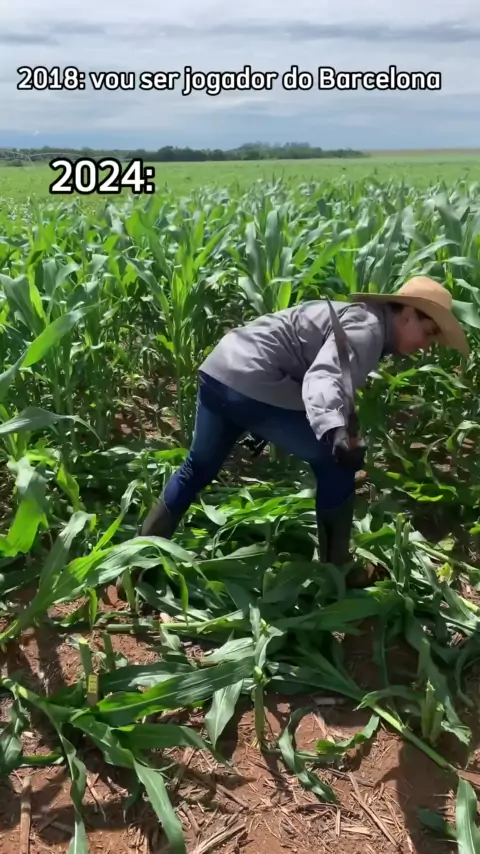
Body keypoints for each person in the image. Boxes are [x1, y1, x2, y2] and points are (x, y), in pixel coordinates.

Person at [138, 277, 469, 586]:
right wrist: (336, 434)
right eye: (428, 332)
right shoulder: (367, 329)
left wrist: (263, 426)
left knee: (197, 468)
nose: (426, 345)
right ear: (407, 315)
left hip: (220, 369)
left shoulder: (358, 319)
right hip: (255, 381)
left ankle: (137, 563)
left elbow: (305, 367)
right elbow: (323, 378)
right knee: (337, 464)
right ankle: (338, 570)